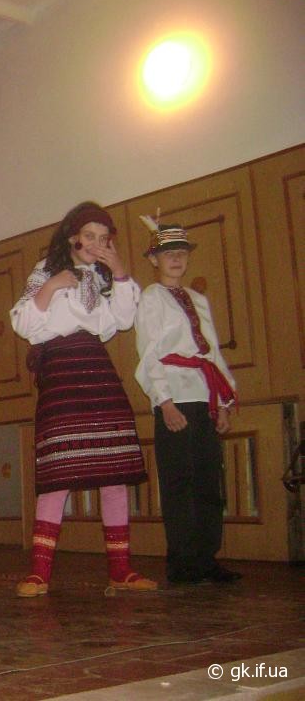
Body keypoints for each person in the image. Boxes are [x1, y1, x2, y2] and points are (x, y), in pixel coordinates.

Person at [9, 201, 156, 597]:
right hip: (61, 371)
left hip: (97, 369)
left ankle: (121, 570)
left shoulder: (105, 278)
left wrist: (120, 270)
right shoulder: (45, 270)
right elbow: (24, 322)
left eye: (103, 238)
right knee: (58, 472)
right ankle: (39, 572)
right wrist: (52, 286)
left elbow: (122, 320)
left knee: (113, 471)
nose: (95, 244)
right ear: (73, 237)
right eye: (89, 236)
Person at [134, 218, 240, 585]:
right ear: (154, 260)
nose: (176, 259)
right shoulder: (151, 298)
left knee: (208, 480)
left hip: (203, 396)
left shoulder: (198, 300)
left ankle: (207, 558)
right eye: (168, 254)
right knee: (179, 482)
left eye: (181, 253)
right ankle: (182, 562)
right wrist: (164, 402)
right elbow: (149, 353)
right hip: (175, 399)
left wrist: (223, 401)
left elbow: (212, 353)